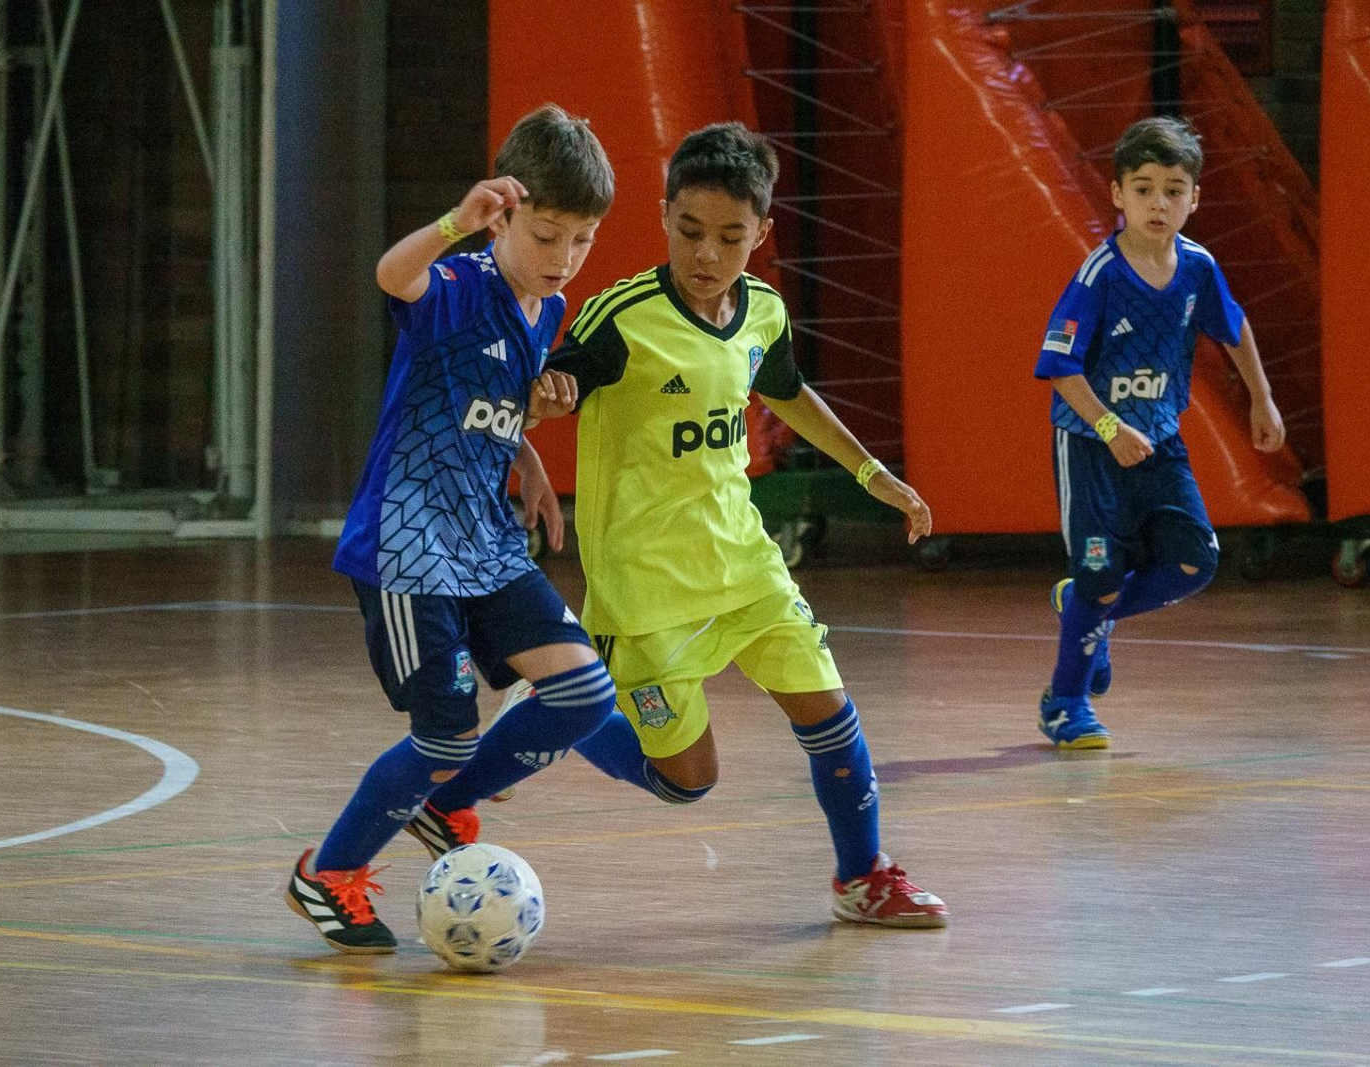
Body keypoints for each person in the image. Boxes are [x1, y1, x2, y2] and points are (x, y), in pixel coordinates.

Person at [416, 122, 949, 929]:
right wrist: (544, 401)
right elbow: (535, 385)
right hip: (647, 589)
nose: (708, 255)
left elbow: (789, 392)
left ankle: (862, 875)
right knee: (686, 781)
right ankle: (560, 712)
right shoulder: (619, 317)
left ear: (761, 235)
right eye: (691, 232)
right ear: (664, 217)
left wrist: (874, 474)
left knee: (830, 714)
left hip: (745, 565)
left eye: (731, 238)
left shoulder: (762, 311)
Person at [285, 104, 619, 954]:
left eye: (581, 241)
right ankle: (327, 869)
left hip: (486, 537)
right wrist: (448, 225)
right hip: (410, 547)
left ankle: (440, 801)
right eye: (547, 236)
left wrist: (531, 457)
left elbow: (492, 402)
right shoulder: (460, 284)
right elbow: (392, 276)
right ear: (502, 214)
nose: (564, 259)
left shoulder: (548, 308)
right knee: (443, 731)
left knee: (583, 690)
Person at [1033, 116, 1285, 749]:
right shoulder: (1100, 275)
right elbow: (1059, 369)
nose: (1159, 202)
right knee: (1100, 573)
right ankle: (1066, 705)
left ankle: (1086, 611)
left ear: (1194, 199)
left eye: (1175, 189)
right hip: (1093, 445)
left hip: (1160, 442)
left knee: (1194, 562)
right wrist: (1111, 426)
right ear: (1118, 195)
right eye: (1143, 188)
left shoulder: (1198, 268)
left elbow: (1234, 326)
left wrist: (1263, 398)